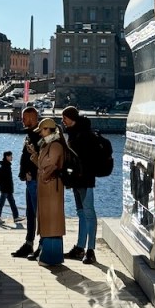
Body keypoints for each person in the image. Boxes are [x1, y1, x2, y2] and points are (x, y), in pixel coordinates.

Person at [61, 105, 98, 265]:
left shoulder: (84, 134)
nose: (63, 122)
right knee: (81, 213)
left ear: (72, 119)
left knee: (88, 213)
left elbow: (84, 158)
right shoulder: (73, 133)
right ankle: (80, 247)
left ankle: (90, 250)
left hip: (86, 180)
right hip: (76, 180)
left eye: (65, 119)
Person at [28, 117, 66, 266]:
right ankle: (49, 256)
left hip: (52, 186)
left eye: (42, 130)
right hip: (48, 186)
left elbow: (50, 165)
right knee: (49, 221)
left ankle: (50, 258)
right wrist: (36, 154)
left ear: (48, 130)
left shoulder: (55, 145)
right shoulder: (48, 144)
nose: (40, 134)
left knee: (51, 222)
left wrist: (42, 172)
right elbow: (44, 166)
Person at [11, 106, 40, 258]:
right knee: (30, 214)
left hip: (35, 180)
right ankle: (29, 244)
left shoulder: (38, 136)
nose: (22, 120)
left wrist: (30, 174)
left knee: (38, 214)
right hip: (29, 181)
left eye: (25, 118)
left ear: (33, 119)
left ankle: (41, 245)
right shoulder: (30, 135)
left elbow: (41, 159)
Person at [0, 151, 22, 224]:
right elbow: (6, 179)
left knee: (12, 203)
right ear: (7, 157)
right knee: (1, 203)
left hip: (7, 189)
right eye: (11, 156)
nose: (12, 157)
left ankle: (16, 217)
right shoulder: (6, 166)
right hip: (5, 189)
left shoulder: (7, 165)